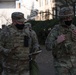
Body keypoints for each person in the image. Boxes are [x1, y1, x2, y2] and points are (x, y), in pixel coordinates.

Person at [45, 6, 76, 75]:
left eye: (70, 17)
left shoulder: (73, 28)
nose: (69, 19)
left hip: (74, 63)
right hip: (61, 64)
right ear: (62, 19)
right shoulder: (56, 30)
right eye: (66, 18)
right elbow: (48, 46)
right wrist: (57, 41)